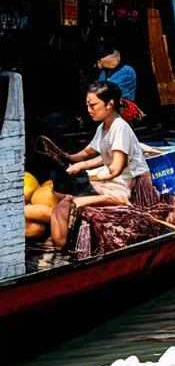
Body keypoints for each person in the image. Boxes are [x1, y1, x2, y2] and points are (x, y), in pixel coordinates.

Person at [50, 81, 160, 247]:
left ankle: (118, 199)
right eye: (87, 105)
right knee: (67, 200)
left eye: (93, 105)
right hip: (114, 182)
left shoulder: (120, 127)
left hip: (130, 187)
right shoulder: (103, 128)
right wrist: (66, 156)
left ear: (110, 104)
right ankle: (62, 244)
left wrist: (97, 176)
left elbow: (117, 167)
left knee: (77, 202)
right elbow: (87, 153)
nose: (89, 110)